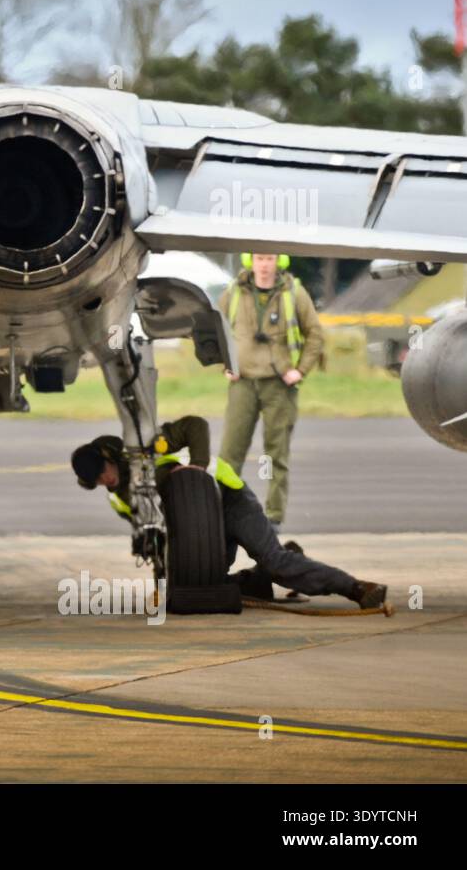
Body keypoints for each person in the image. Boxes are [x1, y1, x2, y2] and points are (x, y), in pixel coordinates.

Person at [70, 415, 386, 608]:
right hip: (200, 529)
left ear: (110, 456)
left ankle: (356, 589)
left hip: (228, 499)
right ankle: (260, 578)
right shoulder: (120, 500)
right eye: (98, 479)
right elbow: (156, 543)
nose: (105, 478)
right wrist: (163, 583)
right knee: (201, 589)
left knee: (276, 562)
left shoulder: (145, 449)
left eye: (105, 469)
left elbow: (196, 425)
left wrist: (197, 465)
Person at [218, 253, 324, 528]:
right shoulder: (233, 293)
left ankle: (273, 517)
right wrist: (224, 364)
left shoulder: (294, 293)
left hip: (279, 385)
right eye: (259, 258)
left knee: (276, 454)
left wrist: (300, 370)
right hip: (243, 383)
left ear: (279, 262)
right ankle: (220, 511)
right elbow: (215, 330)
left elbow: (315, 334)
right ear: (250, 262)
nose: (264, 264)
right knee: (230, 453)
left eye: (269, 258)